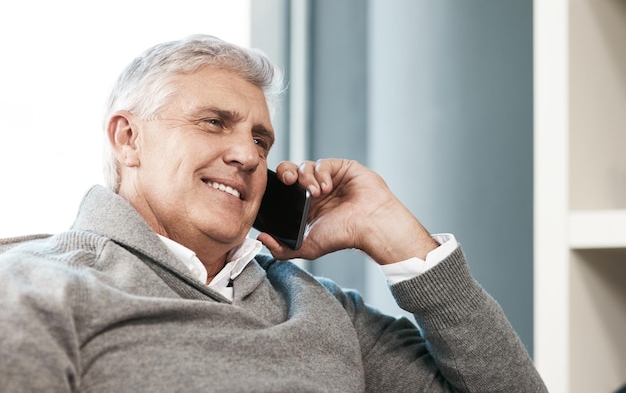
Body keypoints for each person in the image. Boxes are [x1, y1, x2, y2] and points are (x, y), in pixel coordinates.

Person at [0, 34, 547, 392]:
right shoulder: (36, 287)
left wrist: (396, 234)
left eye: (261, 140)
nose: (248, 156)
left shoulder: (317, 306)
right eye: (214, 122)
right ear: (129, 139)